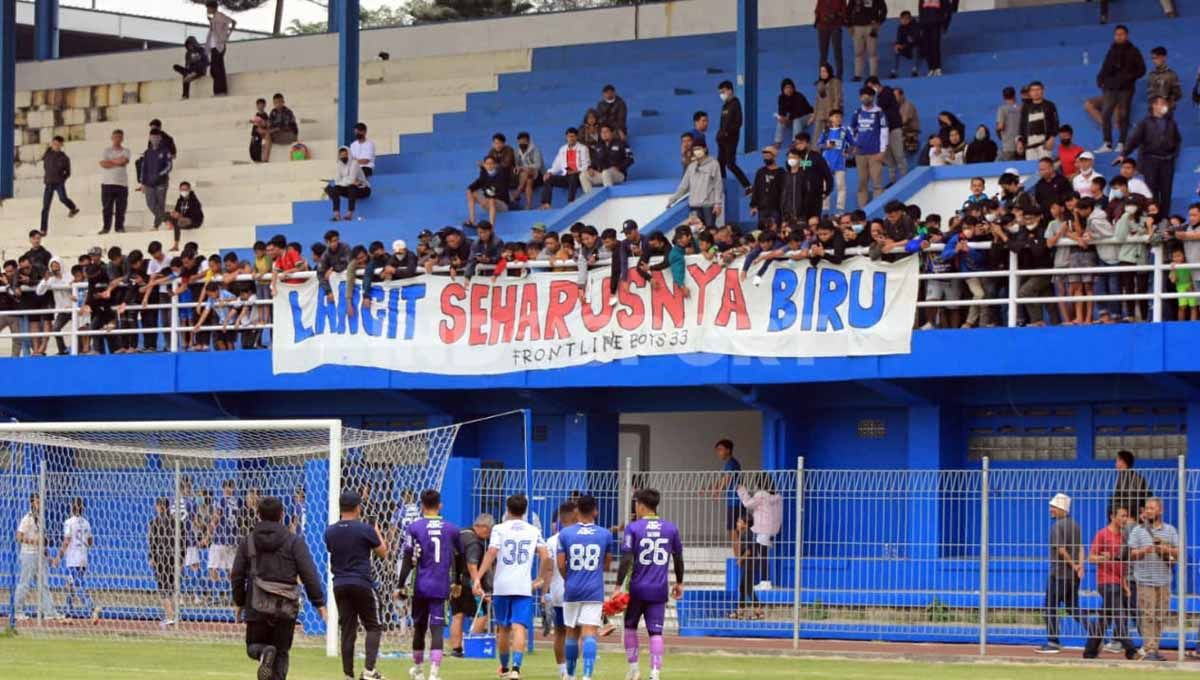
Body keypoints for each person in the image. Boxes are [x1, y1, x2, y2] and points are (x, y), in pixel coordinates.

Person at [231, 496, 326, 680]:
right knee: (281, 652)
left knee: (253, 647)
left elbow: (237, 575)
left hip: (256, 605)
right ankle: (269, 655)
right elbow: (309, 573)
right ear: (282, 515)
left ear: (258, 515)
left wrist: (239, 601)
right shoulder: (294, 542)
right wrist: (319, 603)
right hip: (285, 606)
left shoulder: (248, 541)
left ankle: (263, 652)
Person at [473, 494, 553, 680]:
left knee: (503, 628)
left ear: (507, 510)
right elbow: (545, 555)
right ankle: (516, 669)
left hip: (502, 585)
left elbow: (491, 552)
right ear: (525, 511)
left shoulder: (499, 529)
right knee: (519, 628)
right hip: (523, 586)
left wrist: (478, 576)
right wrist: (540, 577)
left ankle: (503, 667)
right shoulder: (533, 530)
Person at [617, 488, 684, 680]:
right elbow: (678, 558)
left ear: (641, 506)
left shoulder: (634, 528)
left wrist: (617, 586)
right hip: (658, 589)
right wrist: (680, 582)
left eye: (636, 504)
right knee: (656, 632)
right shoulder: (670, 528)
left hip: (637, 588)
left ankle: (634, 670)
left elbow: (627, 559)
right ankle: (655, 673)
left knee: (630, 627)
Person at [398, 490, 465, 680]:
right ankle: (434, 674)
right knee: (436, 629)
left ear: (421, 507)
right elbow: (460, 557)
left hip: (419, 585)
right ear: (440, 506)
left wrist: (400, 584)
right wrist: (457, 581)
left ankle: (418, 670)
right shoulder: (452, 529)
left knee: (419, 627)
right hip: (441, 585)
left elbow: (408, 557)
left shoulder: (414, 527)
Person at [324, 490, 387, 680]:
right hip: (361, 582)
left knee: (348, 630)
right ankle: (369, 671)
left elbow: (331, 548)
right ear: (358, 507)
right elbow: (383, 552)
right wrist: (375, 528)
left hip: (339, 584)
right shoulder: (364, 529)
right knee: (374, 626)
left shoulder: (330, 531)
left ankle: (348, 674)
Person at [556, 495, 612, 680]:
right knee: (590, 632)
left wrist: (568, 578)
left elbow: (561, 564)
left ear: (577, 511)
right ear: (595, 511)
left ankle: (570, 675)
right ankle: (587, 676)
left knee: (571, 632)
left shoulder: (565, 534)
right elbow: (607, 564)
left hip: (572, 588)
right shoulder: (605, 534)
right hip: (593, 589)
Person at [1036, 493, 1088, 654]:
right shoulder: (1076, 525)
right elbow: (1080, 548)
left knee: (1050, 606)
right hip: (1072, 576)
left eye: (1053, 507)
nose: (1051, 510)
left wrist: (1074, 565)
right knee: (1073, 607)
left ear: (1061, 509)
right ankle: (1096, 632)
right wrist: (1080, 566)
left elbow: (1061, 550)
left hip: (1058, 574)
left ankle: (1053, 641)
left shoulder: (1056, 527)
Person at [1128, 497, 1179, 661]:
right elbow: (1131, 554)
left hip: (1164, 580)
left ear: (1160, 510)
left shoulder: (1170, 530)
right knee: (1148, 615)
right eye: (1147, 508)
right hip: (1145, 580)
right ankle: (1149, 649)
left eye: (1152, 508)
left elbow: (1177, 553)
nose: (1148, 511)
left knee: (1160, 616)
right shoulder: (1137, 531)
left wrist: (1164, 549)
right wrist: (1145, 550)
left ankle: (1154, 648)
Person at [1085, 505, 1137, 659]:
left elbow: (1123, 564)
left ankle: (1090, 651)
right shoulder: (1102, 534)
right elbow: (1091, 557)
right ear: (1112, 517)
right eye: (1122, 516)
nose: (1124, 519)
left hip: (1118, 581)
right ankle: (1131, 650)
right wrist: (1104, 557)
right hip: (1106, 582)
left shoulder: (1123, 537)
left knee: (1105, 618)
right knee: (1119, 615)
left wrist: (1125, 584)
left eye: (1126, 516)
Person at [1120, 96, 1181, 215]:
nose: (1164, 106)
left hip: (1167, 162)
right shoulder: (1145, 123)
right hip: (1150, 161)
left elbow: (1177, 140)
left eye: (1165, 104)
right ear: (1154, 105)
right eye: (1161, 103)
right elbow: (1134, 139)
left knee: (1166, 191)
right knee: (1151, 190)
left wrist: (1174, 154)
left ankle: (1164, 218)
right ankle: (1153, 217)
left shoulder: (1171, 122)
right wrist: (1124, 153)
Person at [1093, 25, 1146, 154]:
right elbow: (1105, 67)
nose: (1119, 36)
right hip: (1111, 87)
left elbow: (1142, 70)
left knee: (1123, 114)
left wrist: (1129, 78)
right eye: (1117, 34)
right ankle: (1107, 143)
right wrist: (1100, 79)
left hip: (1126, 88)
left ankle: (1122, 142)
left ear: (1126, 35)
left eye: (1121, 34)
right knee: (1106, 113)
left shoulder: (1134, 51)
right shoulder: (1111, 50)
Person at [448, 513, 495, 658]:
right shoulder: (474, 542)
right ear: (482, 527)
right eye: (489, 530)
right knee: (482, 615)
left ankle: (456, 649)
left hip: (454, 583)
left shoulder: (459, 534)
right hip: (468, 583)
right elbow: (472, 564)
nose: (489, 535)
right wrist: (477, 584)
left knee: (457, 615)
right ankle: (471, 646)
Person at [735, 476, 783, 614]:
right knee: (763, 554)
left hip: (762, 527)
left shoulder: (761, 495)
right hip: (771, 527)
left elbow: (748, 504)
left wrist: (742, 491)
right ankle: (749, 606)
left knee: (762, 555)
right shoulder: (775, 496)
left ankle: (765, 581)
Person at [13, 493, 60, 620]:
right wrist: (33, 542)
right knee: (24, 584)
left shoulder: (41, 519)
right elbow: (18, 536)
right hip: (28, 554)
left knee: (44, 584)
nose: (39, 504)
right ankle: (17, 611)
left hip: (40, 556)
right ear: (32, 503)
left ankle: (49, 612)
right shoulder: (27, 518)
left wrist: (48, 556)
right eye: (36, 501)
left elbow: (42, 541)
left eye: (40, 501)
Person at [544, 501, 575, 680]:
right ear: (573, 515)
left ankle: (563, 671)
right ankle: (571, 672)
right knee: (575, 633)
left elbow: (548, 568)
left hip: (557, 592)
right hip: (575, 592)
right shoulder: (580, 535)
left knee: (560, 633)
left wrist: (545, 592)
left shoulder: (551, 541)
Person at [54, 497, 96, 621]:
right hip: (83, 558)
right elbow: (90, 541)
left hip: (72, 559)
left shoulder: (69, 522)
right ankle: (68, 612)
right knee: (70, 584)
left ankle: (92, 609)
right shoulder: (86, 523)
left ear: (72, 508)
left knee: (77, 585)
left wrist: (58, 557)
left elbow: (67, 540)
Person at [781, 135, 833, 222]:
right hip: (798, 196)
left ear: (807, 143)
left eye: (801, 143)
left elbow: (827, 175)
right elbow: (790, 173)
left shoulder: (816, 157)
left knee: (813, 221)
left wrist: (826, 191)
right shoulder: (793, 157)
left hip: (814, 196)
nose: (798, 145)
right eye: (796, 143)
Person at [850, 86, 888, 208]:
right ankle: (863, 210)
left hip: (875, 153)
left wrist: (883, 151)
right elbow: (851, 130)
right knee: (862, 182)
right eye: (862, 96)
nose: (865, 98)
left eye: (868, 95)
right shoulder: (857, 113)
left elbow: (884, 131)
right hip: (860, 153)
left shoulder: (879, 113)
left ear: (872, 97)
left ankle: (877, 208)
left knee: (877, 183)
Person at [148, 497, 180, 627]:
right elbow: (182, 541)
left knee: (162, 588)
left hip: (161, 558)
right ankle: (173, 615)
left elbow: (152, 542)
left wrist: (152, 557)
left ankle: (170, 616)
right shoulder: (176, 522)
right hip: (173, 558)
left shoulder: (154, 522)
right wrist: (181, 559)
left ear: (160, 507)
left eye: (157, 506)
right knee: (172, 588)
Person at [867, 77, 906, 184]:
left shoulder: (887, 92)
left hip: (893, 128)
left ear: (876, 84)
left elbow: (880, 108)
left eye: (870, 87)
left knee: (899, 155)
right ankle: (893, 180)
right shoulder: (878, 97)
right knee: (889, 158)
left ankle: (905, 180)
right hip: (884, 131)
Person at [715, 81, 752, 190]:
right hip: (722, 139)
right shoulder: (724, 106)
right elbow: (721, 123)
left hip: (731, 139)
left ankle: (747, 185)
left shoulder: (736, 104)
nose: (721, 94)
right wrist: (719, 134)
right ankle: (723, 184)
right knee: (720, 163)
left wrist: (727, 132)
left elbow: (738, 122)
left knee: (730, 164)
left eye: (723, 91)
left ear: (730, 90)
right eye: (720, 92)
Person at [208, 479, 240, 603]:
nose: (227, 489)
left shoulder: (220, 500)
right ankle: (230, 595)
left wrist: (207, 534)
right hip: (232, 540)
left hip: (219, 539)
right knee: (230, 569)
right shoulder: (237, 501)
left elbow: (216, 518)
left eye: (228, 487)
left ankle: (216, 596)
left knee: (213, 567)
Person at [541, 128, 590, 208]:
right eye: (569, 136)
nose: (571, 138)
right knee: (549, 179)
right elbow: (556, 165)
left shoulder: (583, 148)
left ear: (576, 137)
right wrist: (549, 173)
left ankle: (571, 202)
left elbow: (586, 165)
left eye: (573, 136)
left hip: (578, 177)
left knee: (573, 176)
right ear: (566, 137)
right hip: (566, 176)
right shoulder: (562, 149)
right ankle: (546, 204)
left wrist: (575, 171)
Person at [40, 135, 79, 235]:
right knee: (45, 207)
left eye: (58, 145)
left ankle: (73, 208)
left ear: (61, 145)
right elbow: (45, 165)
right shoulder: (47, 154)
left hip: (58, 182)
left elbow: (68, 172)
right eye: (54, 144)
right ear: (52, 144)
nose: (55, 146)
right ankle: (43, 229)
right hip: (49, 183)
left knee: (63, 198)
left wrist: (62, 179)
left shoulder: (64, 157)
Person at [138, 128, 173, 230]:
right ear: (149, 138)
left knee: (160, 204)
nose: (154, 139)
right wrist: (142, 183)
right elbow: (144, 169)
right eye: (152, 137)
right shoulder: (147, 152)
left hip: (161, 182)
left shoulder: (165, 151)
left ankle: (156, 225)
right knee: (151, 204)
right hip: (149, 183)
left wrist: (160, 174)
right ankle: (167, 220)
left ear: (160, 138)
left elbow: (169, 166)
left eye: (156, 137)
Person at [98, 129, 130, 235]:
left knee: (121, 208)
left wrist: (110, 162)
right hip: (107, 183)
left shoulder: (126, 151)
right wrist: (117, 161)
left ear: (122, 138)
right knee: (107, 207)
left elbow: (124, 161)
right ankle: (106, 227)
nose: (117, 139)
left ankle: (119, 227)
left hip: (121, 183)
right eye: (115, 137)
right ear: (112, 138)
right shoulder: (106, 151)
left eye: (119, 137)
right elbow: (103, 164)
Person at [328, 146, 371, 222]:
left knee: (352, 187)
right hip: (349, 189)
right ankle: (337, 214)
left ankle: (350, 213)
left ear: (349, 154)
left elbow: (352, 179)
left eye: (345, 154)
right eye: (341, 155)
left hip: (363, 189)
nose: (343, 156)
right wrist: (348, 182)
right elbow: (337, 181)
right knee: (334, 188)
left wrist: (345, 181)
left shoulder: (354, 163)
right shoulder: (339, 164)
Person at [466, 155, 510, 228]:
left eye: (491, 163)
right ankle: (472, 221)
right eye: (487, 164)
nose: (489, 166)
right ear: (484, 165)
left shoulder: (501, 174)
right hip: (488, 202)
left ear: (495, 165)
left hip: (501, 205)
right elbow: (474, 186)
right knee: (471, 192)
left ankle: (491, 227)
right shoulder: (484, 174)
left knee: (491, 199)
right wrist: (470, 189)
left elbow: (500, 192)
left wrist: (487, 197)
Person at [847, 0, 886, 82]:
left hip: (871, 26)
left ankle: (873, 76)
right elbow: (848, 10)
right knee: (858, 53)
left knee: (872, 53)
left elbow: (884, 9)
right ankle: (857, 75)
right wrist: (850, 25)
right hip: (857, 27)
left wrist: (879, 22)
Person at [584, 124, 633, 189]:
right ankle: (590, 196)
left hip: (618, 174)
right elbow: (594, 160)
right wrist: (591, 168)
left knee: (606, 172)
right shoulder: (598, 146)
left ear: (612, 133)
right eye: (602, 132)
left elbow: (630, 159)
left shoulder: (621, 143)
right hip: (602, 174)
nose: (604, 134)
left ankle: (609, 197)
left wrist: (619, 167)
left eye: (606, 132)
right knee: (583, 175)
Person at [1020, 81, 1060, 161]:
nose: (1036, 92)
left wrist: (1051, 139)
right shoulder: (1026, 107)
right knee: (1031, 168)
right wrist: (1020, 141)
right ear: (1030, 93)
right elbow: (1022, 125)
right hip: (1030, 144)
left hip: (1044, 144)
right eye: (1033, 90)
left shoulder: (1049, 105)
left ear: (1043, 91)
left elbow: (1055, 123)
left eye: (1038, 89)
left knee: (1045, 166)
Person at [749, 146, 786, 229]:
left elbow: (784, 191)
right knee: (762, 231)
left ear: (774, 156)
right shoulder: (760, 172)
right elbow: (756, 189)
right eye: (764, 156)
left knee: (775, 230)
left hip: (776, 208)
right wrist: (753, 206)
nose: (765, 158)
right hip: (762, 208)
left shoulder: (781, 172)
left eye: (768, 156)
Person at [204, 1, 235, 96]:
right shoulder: (214, 18)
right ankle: (219, 91)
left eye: (208, 8)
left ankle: (220, 91)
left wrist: (227, 36)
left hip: (219, 46)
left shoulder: (220, 15)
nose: (207, 10)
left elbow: (233, 22)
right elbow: (214, 31)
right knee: (215, 69)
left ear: (213, 8)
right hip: (214, 47)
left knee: (217, 69)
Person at [918, 0, 954, 76]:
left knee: (935, 46)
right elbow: (920, 11)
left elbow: (948, 10)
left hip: (936, 24)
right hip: (925, 25)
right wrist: (920, 26)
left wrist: (945, 25)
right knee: (927, 47)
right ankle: (931, 68)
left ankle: (937, 68)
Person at [166, 181, 204, 252]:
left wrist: (180, 216)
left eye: (185, 189)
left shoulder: (194, 201)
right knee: (166, 215)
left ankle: (176, 245)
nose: (183, 191)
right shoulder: (180, 200)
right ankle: (172, 224)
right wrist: (173, 214)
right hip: (181, 220)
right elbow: (176, 211)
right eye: (182, 190)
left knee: (178, 221)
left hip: (193, 221)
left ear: (189, 190)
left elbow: (195, 215)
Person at [774, 78, 813, 146]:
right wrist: (781, 118)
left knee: (796, 120)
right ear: (783, 89)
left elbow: (800, 112)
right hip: (792, 119)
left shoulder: (798, 96)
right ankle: (777, 142)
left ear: (793, 88)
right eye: (786, 88)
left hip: (806, 117)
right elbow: (781, 112)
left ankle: (795, 142)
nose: (788, 90)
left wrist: (788, 118)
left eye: (790, 87)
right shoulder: (781, 98)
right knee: (780, 122)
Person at [814, 0, 846, 79]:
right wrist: (817, 20)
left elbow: (844, 10)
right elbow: (817, 9)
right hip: (822, 26)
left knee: (837, 51)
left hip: (835, 25)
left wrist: (836, 15)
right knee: (823, 53)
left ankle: (839, 75)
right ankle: (822, 76)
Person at [262, 94, 298, 163]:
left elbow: (283, 127)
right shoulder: (273, 112)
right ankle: (264, 157)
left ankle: (265, 159)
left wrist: (269, 131)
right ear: (273, 103)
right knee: (265, 136)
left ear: (283, 102)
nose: (278, 104)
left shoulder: (287, 112)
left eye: (279, 102)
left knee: (267, 136)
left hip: (290, 135)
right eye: (275, 103)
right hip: (279, 135)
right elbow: (270, 125)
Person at [813, 63, 843, 145]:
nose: (822, 73)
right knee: (817, 137)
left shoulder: (835, 82)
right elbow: (818, 101)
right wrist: (814, 116)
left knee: (833, 136)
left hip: (832, 113)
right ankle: (816, 155)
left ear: (829, 71)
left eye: (824, 71)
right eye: (821, 71)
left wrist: (834, 114)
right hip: (821, 113)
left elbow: (838, 98)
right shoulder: (820, 84)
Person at [1146, 46, 1182, 114]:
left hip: (1168, 109)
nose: (1154, 60)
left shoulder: (1171, 75)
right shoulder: (1152, 75)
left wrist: (1167, 102)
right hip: (1153, 109)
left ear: (1164, 58)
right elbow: (1150, 93)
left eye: (1156, 58)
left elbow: (1178, 93)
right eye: (1153, 58)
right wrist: (1155, 103)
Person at [514, 132, 544, 209]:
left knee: (528, 171)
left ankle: (518, 192)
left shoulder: (535, 150)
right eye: (520, 141)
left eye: (524, 141)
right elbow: (517, 164)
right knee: (528, 180)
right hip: (525, 177)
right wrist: (517, 168)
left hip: (537, 175)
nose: (522, 143)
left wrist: (524, 168)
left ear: (528, 141)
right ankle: (529, 205)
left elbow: (538, 165)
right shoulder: (517, 151)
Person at [891, 10, 921, 78]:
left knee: (915, 49)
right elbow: (899, 40)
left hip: (916, 47)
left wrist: (903, 46)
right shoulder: (900, 27)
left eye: (906, 18)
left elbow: (914, 40)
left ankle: (914, 70)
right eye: (902, 19)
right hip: (906, 48)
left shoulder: (915, 26)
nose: (904, 20)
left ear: (910, 19)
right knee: (896, 49)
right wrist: (897, 45)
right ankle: (894, 71)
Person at [995, 87, 1022, 161]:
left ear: (1003, 97)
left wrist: (997, 131)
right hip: (1021, 144)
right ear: (1014, 95)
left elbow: (1000, 126)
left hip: (1008, 145)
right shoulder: (1021, 108)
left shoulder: (1002, 109)